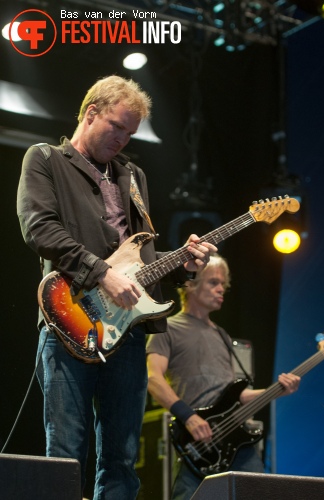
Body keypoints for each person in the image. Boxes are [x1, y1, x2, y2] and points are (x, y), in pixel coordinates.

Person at [16, 75, 217, 500]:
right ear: (91, 114)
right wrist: (100, 273)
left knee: (122, 459)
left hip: (126, 333)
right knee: (66, 453)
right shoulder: (46, 159)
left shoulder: (133, 176)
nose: (124, 140)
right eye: (118, 127)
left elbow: (141, 260)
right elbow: (39, 228)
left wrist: (183, 267)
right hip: (69, 321)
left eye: (131, 133)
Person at [146, 254, 301, 500]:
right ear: (191, 284)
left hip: (237, 439)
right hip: (199, 441)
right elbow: (153, 378)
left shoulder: (222, 335)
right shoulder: (167, 327)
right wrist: (189, 418)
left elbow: (235, 395)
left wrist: (276, 390)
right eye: (213, 283)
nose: (221, 289)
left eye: (223, 285)